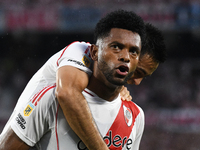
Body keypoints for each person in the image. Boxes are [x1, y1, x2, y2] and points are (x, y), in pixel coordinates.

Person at [0, 10, 146, 150]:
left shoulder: (136, 116)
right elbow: (66, 93)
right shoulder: (51, 97)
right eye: (116, 47)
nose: (126, 57)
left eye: (133, 51)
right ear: (94, 52)